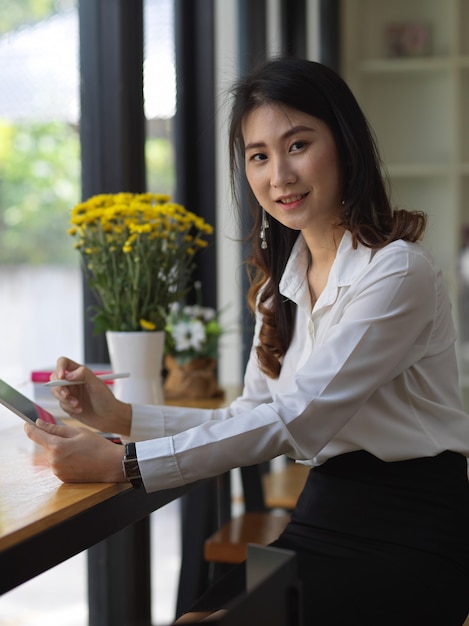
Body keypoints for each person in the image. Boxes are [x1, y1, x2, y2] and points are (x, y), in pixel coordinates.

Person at [25, 58, 469, 625]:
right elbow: (252, 415)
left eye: (298, 144)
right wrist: (120, 415)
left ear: (346, 145)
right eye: (258, 155)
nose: (278, 174)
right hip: (322, 516)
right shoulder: (278, 289)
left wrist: (127, 465)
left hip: (413, 534)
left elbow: (294, 421)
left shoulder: (397, 272)